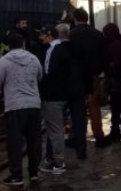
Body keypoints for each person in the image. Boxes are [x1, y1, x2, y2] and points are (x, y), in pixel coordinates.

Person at [0, 34, 43, 187]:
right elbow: (40, 76)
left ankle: (16, 175)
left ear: (9, 46)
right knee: (34, 141)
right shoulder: (34, 59)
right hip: (34, 104)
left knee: (15, 142)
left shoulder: (4, 61)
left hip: (14, 106)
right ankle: (34, 173)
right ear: (24, 44)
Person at [68, 7, 109, 152]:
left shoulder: (71, 35)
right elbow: (105, 55)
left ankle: (76, 136)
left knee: (76, 107)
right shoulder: (98, 34)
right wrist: (99, 70)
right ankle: (99, 137)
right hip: (94, 75)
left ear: (75, 18)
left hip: (76, 76)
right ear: (87, 18)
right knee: (94, 106)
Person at [38, 24, 72, 175]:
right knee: (55, 129)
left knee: (55, 130)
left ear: (50, 36)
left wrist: (43, 91)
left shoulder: (54, 51)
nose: (40, 38)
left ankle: (59, 163)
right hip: (61, 95)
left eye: (42, 35)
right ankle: (55, 160)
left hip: (54, 96)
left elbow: (49, 74)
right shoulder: (62, 50)